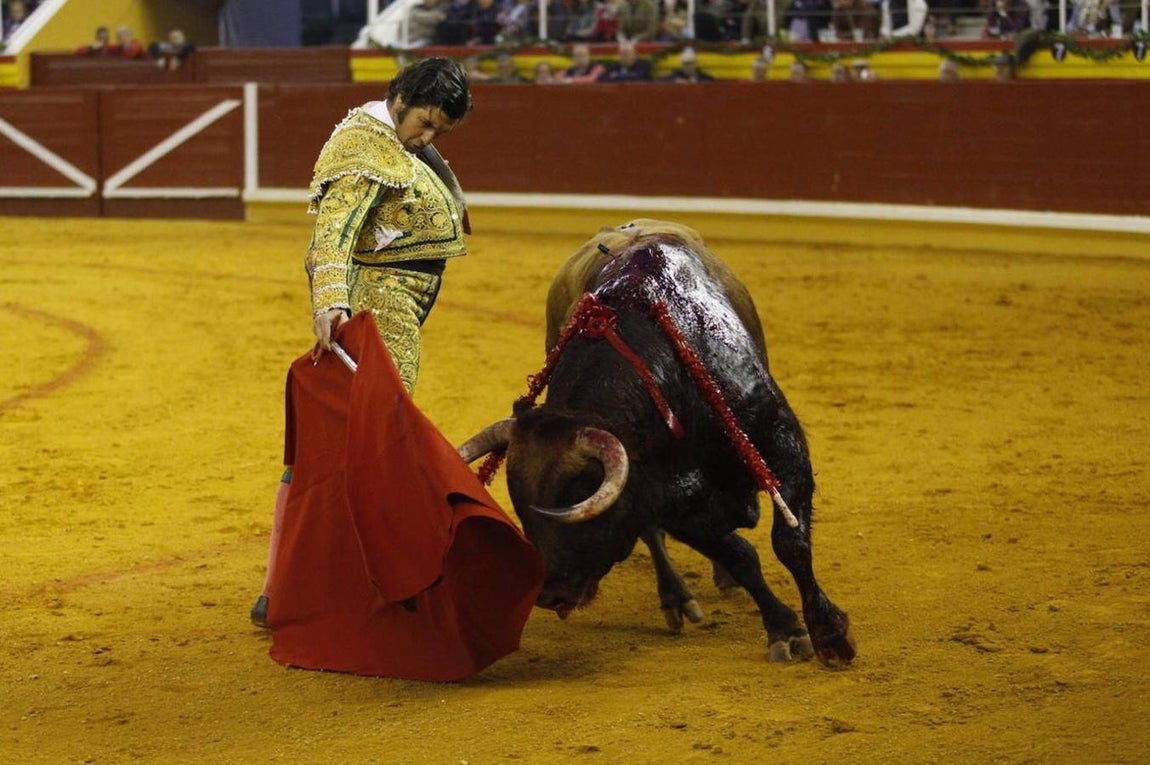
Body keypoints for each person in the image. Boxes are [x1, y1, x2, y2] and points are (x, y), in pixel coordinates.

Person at [251, 57, 474, 628]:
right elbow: (333, 232)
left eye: (438, 133)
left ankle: (294, 584)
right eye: (424, 123)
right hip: (378, 304)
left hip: (396, 301)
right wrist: (330, 303)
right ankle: (327, 582)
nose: (426, 139)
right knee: (371, 440)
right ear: (399, 97)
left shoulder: (392, 141)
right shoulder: (364, 147)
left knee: (355, 438)